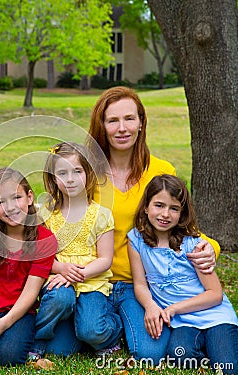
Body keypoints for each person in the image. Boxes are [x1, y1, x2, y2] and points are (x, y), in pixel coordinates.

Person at [85, 86, 221, 363]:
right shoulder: (85, 174)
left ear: (141, 123)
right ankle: (102, 324)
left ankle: (123, 321)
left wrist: (212, 248)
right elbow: (57, 220)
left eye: (129, 119)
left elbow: (183, 226)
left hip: (141, 285)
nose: (122, 128)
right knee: (71, 341)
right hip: (94, 281)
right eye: (113, 120)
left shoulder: (162, 171)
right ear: (102, 125)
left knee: (150, 352)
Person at [127, 174, 238, 373]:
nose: (165, 214)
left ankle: (220, 344)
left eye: (174, 208)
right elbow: (140, 284)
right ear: (146, 206)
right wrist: (150, 305)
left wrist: (174, 308)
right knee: (179, 356)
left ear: (182, 212)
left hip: (214, 316)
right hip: (183, 323)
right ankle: (210, 349)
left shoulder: (192, 243)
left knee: (228, 367)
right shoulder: (136, 240)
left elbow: (215, 294)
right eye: (159, 205)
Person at [29, 142, 123, 362]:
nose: (70, 179)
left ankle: (113, 329)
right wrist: (61, 269)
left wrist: (78, 273)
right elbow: (39, 256)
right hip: (58, 279)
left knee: (91, 331)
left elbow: (105, 259)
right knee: (60, 305)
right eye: (62, 173)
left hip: (91, 281)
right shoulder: (47, 214)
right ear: (53, 178)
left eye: (77, 171)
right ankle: (38, 340)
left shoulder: (101, 214)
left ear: (88, 174)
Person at [0, 167, 57, 365]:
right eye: (0, 202)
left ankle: (3, 339)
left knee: (7, 357)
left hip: (19, 311)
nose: (10, 207)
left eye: (16, 197)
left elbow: (31, 293)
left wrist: (4, 323)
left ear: (30, 197)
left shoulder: (44, 240)